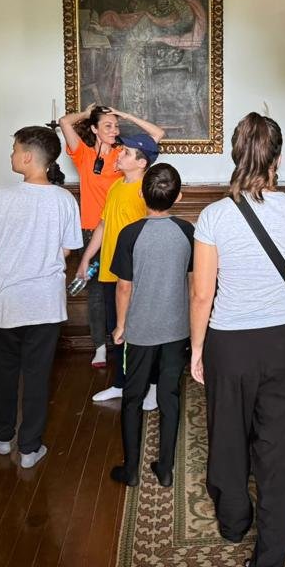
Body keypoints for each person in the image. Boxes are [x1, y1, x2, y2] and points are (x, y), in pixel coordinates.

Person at [190, 112, 285, 567]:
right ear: (279, 158)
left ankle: (234, 522)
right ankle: (270, 556)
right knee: (280, 451)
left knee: (227, 438)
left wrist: (197, 349)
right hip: (283, 345)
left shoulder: (213, 216)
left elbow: (202, 293)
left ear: (235, 154)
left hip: (229, 344)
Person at [0, 126, 83, 469]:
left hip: (5, 301)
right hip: (46, 303)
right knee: (38, 376)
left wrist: (11, 270)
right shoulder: (65, 200)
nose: (11, 155)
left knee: (4, 372)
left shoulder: (0, 198)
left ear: (27, 157)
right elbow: (67, 250)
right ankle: (30, 448)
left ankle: (1, 437)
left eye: (14, 149)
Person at [108, 163, 194, 488]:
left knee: (133, 397)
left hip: (140, 330)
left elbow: (124, 287)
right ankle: (166, 468)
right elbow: (193, 282)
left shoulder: (130, 234)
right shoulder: (188, 232)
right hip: (177, 329)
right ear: (178, 196)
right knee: (170, 396)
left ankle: (131, 469)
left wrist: (120, 325)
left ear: (142, 195)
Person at [60, 104, 165, 369]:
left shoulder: (123, 155)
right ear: (94, 129)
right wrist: (87, 114)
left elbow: (157, 135)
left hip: (123, 229)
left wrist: (125, 114)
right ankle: (100, 346)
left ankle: (129, 344)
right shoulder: (83, 154)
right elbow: (64, 122)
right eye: (108, 125)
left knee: (126, 287)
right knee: (98, 292)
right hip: (93, 230)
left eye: (116, 126)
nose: (114, 130)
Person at [77, 133, 159, 403]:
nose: (119, 154)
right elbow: (103, 225)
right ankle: (121, 383)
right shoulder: (115, 186)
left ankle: (153, 386)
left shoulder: (146, 190)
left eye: (126, 153)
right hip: (110, 272)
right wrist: (87, 257)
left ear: (142, 162)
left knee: (143, 330)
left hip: (136, 275)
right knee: (117, 329)